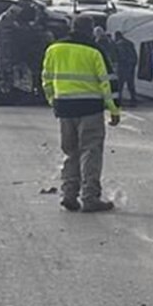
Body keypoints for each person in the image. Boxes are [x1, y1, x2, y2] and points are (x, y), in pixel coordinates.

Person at [42, 14, 121, 213]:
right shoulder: (95, 51)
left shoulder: (54, 49)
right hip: (90, 108)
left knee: (70, 152)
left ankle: (69, 194)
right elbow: (108, 82)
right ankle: (90, 197)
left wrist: (54, 102)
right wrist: (114, 109)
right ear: (91, 29)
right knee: (90, 151)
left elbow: (46, 79)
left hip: (65, 108)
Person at [114, 30, 138, 106]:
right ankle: (133, 100)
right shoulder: (130, 43)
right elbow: (135, 55)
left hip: (123, 66)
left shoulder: (118, 44)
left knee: (120, 85)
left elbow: (121, 55)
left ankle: (119, 101)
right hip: (131, 65)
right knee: (131, 84)